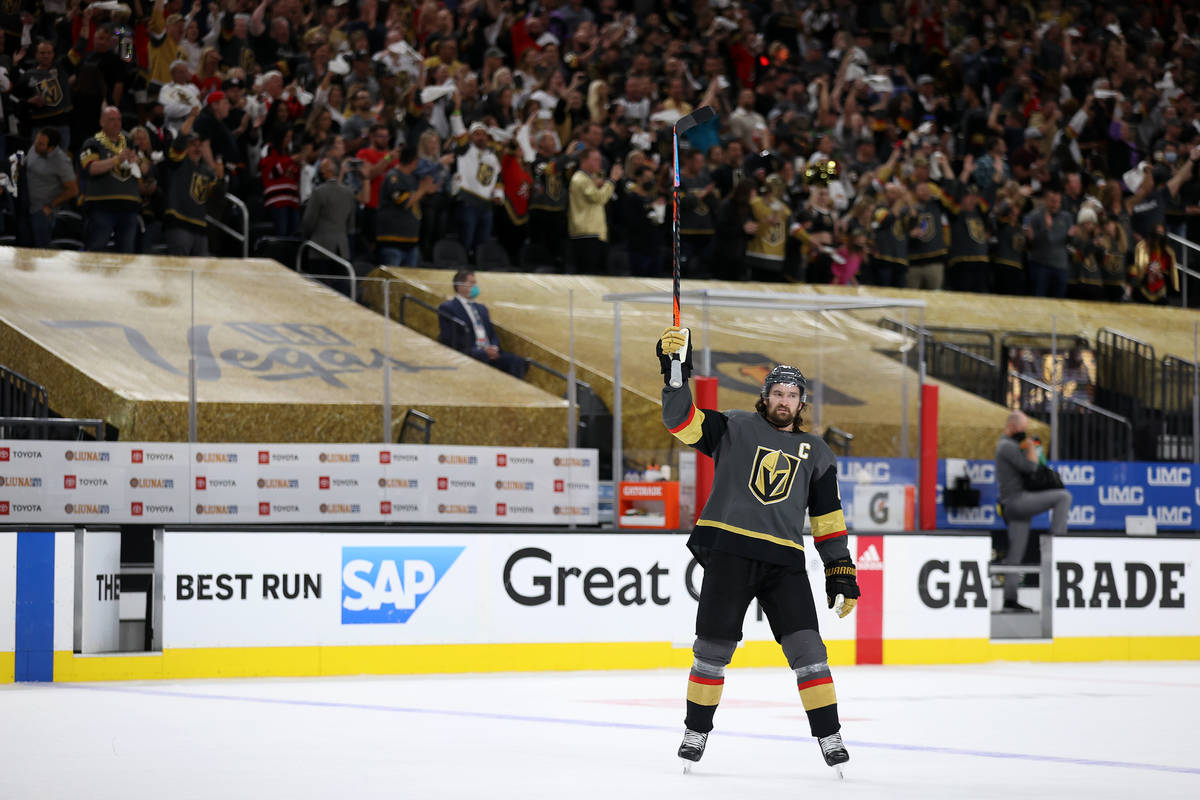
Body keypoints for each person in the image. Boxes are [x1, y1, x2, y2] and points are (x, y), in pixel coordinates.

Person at [657, 327, 859, 774]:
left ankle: (830, 736)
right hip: (730, 553)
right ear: (764, 397)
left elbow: (827, 519)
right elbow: (681, 422)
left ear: (802, 403)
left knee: (810, 652)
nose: (784, 400)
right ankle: (696, 731)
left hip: (784, 562)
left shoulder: (818, 453)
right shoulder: (733, 426)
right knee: (711, 649)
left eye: (793, 394)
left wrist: (839, 568)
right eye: (777, 392)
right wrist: (675, 376)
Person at [993, 412, 1072, 613]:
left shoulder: (1009, 445)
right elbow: (1031, 467)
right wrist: (1030, 447)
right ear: (1011, 427)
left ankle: (1009, 599)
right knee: (1063, 497)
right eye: (1022, 429)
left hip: (1016, 505)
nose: (1024, 433)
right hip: (1016, 502)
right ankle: (1058, 541)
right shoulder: (1006, 446)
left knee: (1015, 555)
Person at [79, 106, 147, 253]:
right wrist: (118, 159)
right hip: (102, 206)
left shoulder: (130, 143)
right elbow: (92, 168)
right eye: (111, 120)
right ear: (101, 122)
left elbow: (146, 169)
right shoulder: (92, 143)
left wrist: (138, 161)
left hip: (129, 207)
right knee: (97, 247)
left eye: (119, 119)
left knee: (126, 253)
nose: (117, 123)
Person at [438, 270, 528, 379]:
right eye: (471, 283)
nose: (475, 287)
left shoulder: (482, 309)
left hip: (489, 351)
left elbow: (492, 333)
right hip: (470, 351)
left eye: (475, 283)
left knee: (518, 361)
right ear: (460, 286)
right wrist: (479, 350)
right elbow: (450, 337)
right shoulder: (448, 308)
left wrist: (494, 347)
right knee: (482, 356)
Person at [162, 107, 223, 257]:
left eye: (199, 145)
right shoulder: (179, 163)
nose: (197, 148)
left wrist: (220, 179)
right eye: (192, 145)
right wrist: (191, 118)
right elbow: (179, 141)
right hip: (178, 223)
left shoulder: (207, 171)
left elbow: (217, 198)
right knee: (180, 271)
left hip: (200, 227)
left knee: (200, 273)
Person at [22, 128, 79, 249]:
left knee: (41, 252)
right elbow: (27, 164)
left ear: (51, 148)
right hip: (25, 207)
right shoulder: (35, 148)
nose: (36, 145)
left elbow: (73, 190)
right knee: (25, 250)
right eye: (36, 141)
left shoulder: (61, 162)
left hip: (42, 213)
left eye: (41, 144)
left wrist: (50, 206)